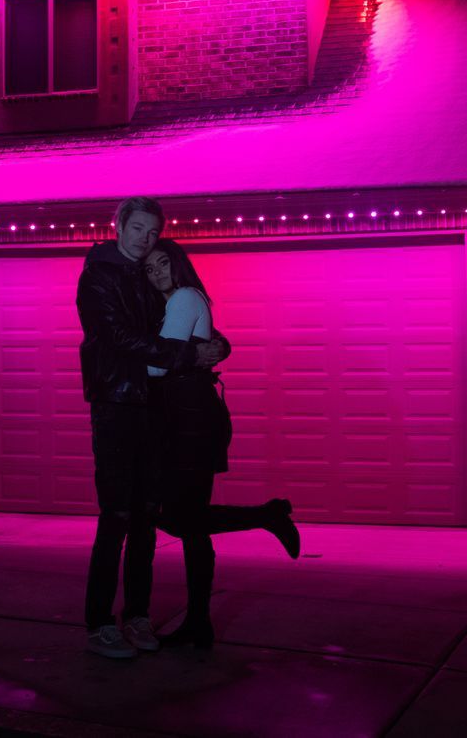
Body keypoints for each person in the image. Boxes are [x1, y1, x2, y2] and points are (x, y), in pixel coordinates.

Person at [75, 196, 227, 659]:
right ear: (119, 225)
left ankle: (137, 617)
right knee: (117, 516)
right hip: (118, 406)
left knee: (146, 520)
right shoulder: (99, 276)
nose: (145, 238)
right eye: (138, 228)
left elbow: (179, 320)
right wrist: (188, 355)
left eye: (152, 231)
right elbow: (119, 337)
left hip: (155, 408)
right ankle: (101, 623)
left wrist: (216, 342)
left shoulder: (143, 274)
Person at [145, 240, 301, 650]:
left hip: (191, 418)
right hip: (185, 417)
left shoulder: (182, 298)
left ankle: (266, 516)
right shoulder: (177, 303)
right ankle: (199, 622)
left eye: (164, 263)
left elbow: (156, 364)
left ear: (178, 266)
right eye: (149, 268)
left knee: (178, 517)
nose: (157, 272)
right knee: (188, 521)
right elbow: (188, 346)